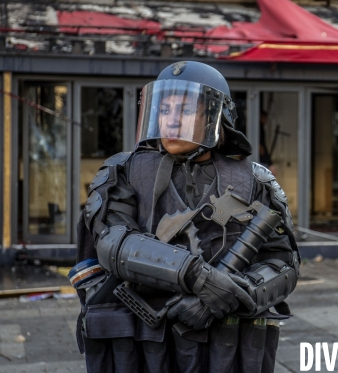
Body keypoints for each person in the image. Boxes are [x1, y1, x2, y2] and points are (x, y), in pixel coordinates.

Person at [71, 61, 299, 373]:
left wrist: (229, 295)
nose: (172, 121)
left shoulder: (255, 180)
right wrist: (198, 277)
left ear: (214, 116)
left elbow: (284, 264)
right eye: (164, 110)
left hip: (227, 346)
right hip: (141, 346)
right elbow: (114, 244)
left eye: (186, 111)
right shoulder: (122, 171)